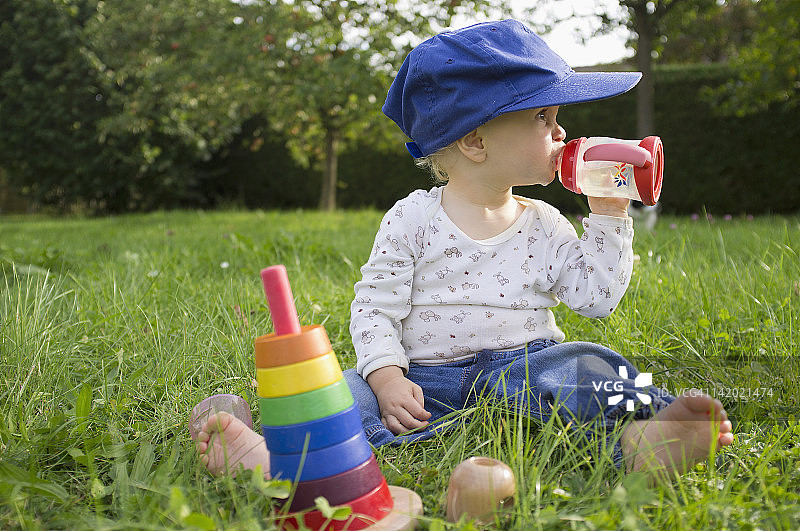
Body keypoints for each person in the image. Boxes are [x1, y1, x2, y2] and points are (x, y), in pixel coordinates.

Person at [194, 19, 732, 482]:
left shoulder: (544, 223)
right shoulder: (411, 218)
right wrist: (384, 376)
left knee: (586, 367)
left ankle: (641, 441)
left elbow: (596, 300)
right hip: (420, 378)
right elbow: (375, 306)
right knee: (340, 393)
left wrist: (610, 216)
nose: (562, 131)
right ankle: (268, 454)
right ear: (475, 142)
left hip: (524, 366)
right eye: (542, 119)